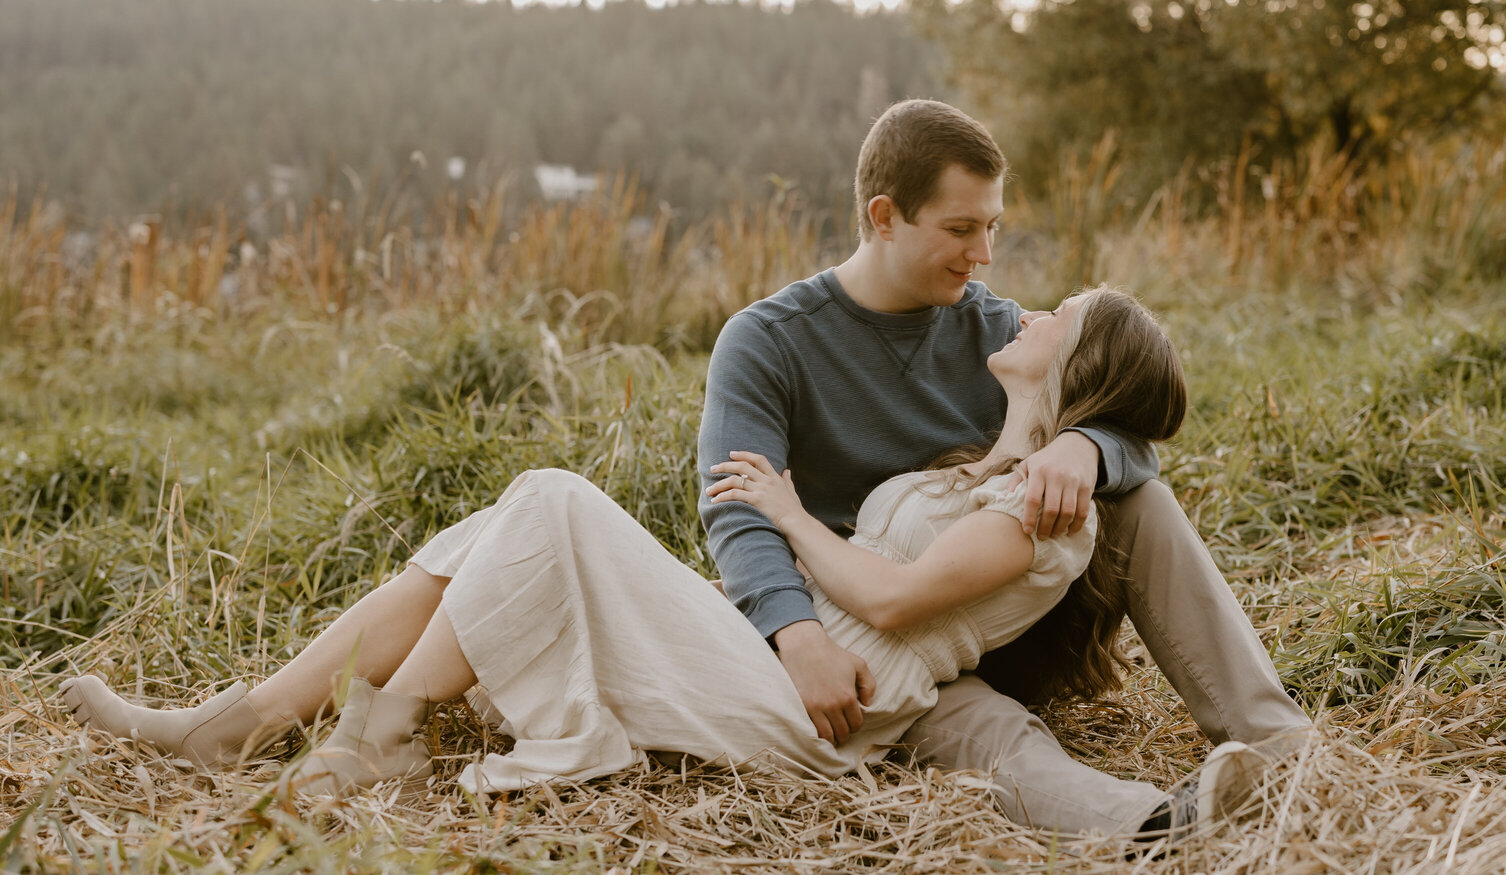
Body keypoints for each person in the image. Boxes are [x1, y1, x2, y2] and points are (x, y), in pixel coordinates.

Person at [60, 290, 1273, 826]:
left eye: (1061, 315)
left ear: (1073, 376)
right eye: (973, 230)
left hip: (831, 706)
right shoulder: (858, 377)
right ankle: (259, 717)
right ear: (887, 215)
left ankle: (371, 740)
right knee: (500, 529)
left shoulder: (1047, 502)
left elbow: (898, 592)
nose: (1023, 296)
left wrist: (794, 519)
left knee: (549, 495)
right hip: (787, 652)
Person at [697, 98, 1310, 840]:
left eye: (992, 227)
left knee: (1143, 499)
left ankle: (1285, 753)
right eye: (960, 229)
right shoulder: (767, 341)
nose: (983, 254)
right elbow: (736, 501)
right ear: (884, 215)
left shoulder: (993, 326)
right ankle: (1150, 826)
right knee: (979, 726)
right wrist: (798, 638)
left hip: (1000, 612)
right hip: (865, 649)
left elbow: (1125, 408)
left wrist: (1084, 446)